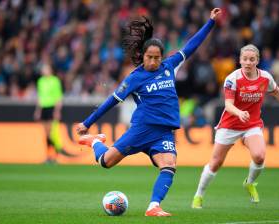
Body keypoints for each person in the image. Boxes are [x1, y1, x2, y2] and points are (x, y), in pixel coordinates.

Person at [76, 8, 221, 217]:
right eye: (149, 57)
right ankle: (95, 142)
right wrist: (88, 122)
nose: (153, 62)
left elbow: (192, 45)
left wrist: (210, 22)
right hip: (142, 129)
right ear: (142, 56)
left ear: (162, 57)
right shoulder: (134, 78)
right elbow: (111, 101)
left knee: (169, 165)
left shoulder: (170, 66)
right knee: (106, 162)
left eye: (157, 58)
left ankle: (153, 206)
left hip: (164, 131)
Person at [191, 44, 279, 209]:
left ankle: (249, 183)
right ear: (240, 60)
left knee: (260, 156)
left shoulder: (265, 77)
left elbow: (277, 91)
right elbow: (228, 105)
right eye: (245, 59)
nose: (248, 62)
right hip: (230, 124)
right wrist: (239, 113)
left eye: (252, 59)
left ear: (257, 60)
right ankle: (198, 195)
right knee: (215, 163)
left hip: (251, 124)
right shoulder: (232, 79)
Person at [34, 63, 72, 162]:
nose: (44, 71)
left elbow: (58, 97)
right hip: (44, 108)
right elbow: (40, 97)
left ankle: (54, 155)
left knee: (51, 133)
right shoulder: (40, 81)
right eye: (43, 69)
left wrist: (57, 111)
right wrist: (38, 111)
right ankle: (48, 155)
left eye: (46, 69)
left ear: (50, 70)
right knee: (46, 134)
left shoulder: (55, 81)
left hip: (51, 107)